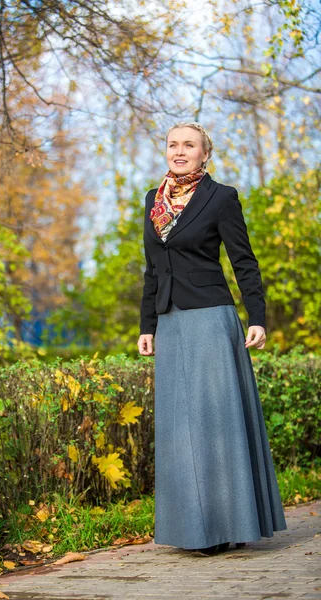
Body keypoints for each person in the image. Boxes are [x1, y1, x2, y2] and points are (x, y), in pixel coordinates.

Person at [137, 122, 287, 555]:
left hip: (210, 318)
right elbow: (152, 269)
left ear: (205, 154)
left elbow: (244, 262)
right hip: (170, 320)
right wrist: (147, 326)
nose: (179, 151)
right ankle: (192, 529)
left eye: (189, 145)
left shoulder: (221, 198)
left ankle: (228, 524)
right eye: (173, 145)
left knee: (215, 423)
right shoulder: (153, 201)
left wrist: (256, 316)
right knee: (178, 428)